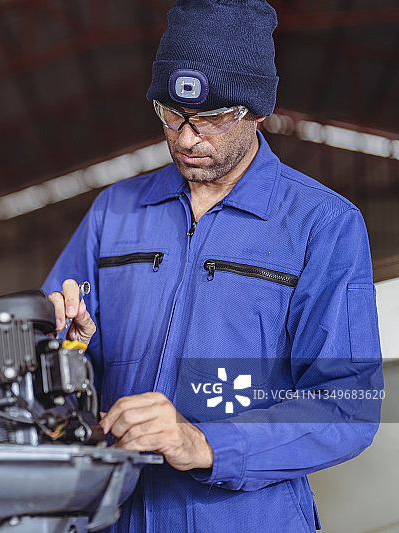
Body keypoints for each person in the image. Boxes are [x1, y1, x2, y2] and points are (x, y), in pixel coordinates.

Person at [43, 1, 383, 532]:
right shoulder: (115, 212)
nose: (185, 138)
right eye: (171, 116)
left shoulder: (322, 224)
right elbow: (48, 368)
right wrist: (69, 344)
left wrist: (203, 442)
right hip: (114, 515)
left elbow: (348, 408)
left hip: (244, 518)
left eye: (209, 120)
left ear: (256, 111)